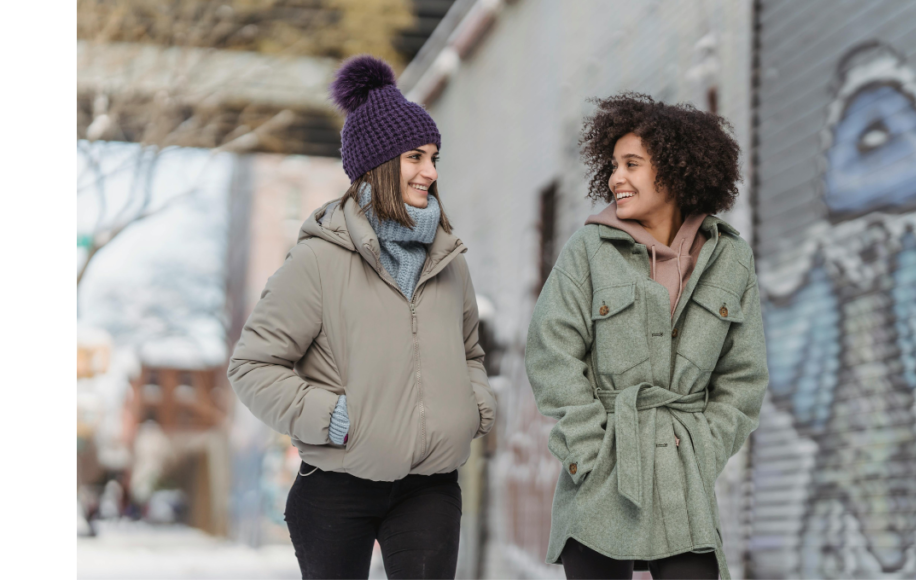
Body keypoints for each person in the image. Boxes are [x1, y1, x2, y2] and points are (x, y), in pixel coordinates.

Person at [228, 55, 496, 580]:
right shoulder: (319, 259)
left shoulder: (448, 259)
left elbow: (470, 352)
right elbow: (253, 366)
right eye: (416, 157)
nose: (431, 172)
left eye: (434, 158)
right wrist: (331, 417)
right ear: (378, 163)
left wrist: (473, 408)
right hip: (336, 486)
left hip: (430, 486)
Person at [525, 93, 768, 580]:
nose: (616, 178)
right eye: (613, 165)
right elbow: (552, 350)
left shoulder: (730, 257)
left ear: (677, 169)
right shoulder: (589, 248)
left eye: (632, 164)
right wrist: (588, 450)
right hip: (602, 474)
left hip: (684, 482)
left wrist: (705, 444)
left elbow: (744, 375)